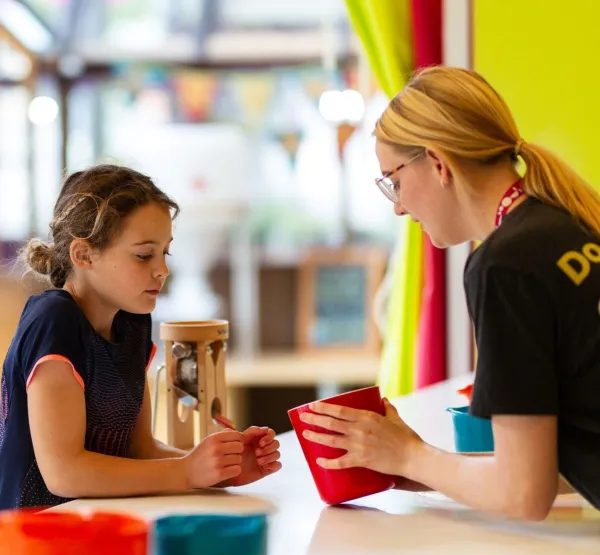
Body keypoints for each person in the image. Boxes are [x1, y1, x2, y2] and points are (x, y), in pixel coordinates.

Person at [299, 65, 600, 521]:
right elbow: (552, 467)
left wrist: (409, 457)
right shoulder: (568, 221)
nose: (398, 207)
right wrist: (417, 464)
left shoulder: (506, 265)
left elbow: (524, 495)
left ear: (438, 164)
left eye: (394, 181)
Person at [0, 164, 281, 510]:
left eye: (165, 252)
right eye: (144, 255)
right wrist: (186, 472)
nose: (162, 269)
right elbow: (64, 472)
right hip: (33, 540)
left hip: (102, 526)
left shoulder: (133, 322)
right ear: (84, 254)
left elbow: (142, 451)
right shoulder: (54, 321)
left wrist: (217, 471)